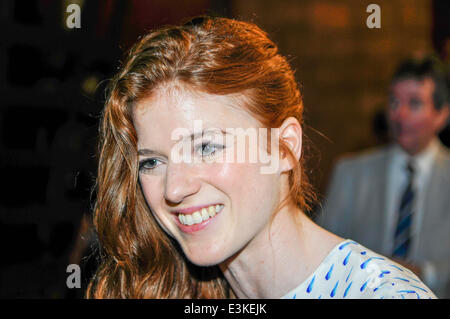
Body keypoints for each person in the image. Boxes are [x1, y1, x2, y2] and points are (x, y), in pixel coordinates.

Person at [86, 16, 435, 299]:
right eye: (152, 161)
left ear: (284, 148)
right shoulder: (170, 285)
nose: (173, 189)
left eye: (206, 147)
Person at [318, 56, 449, 298]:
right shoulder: (351, 173)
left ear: (441, 115)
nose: (399, 114)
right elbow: (321, 256)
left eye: (415, 103)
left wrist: (424, 273)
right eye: (394, 102)